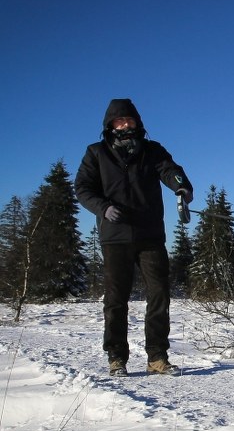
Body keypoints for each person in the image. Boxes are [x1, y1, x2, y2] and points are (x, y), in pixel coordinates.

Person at [75, 98, 193, 377]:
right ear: (110, 125)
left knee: (159, 293)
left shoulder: (152, 150)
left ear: (138, 123)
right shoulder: (96, 153)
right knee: (116, 299)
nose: (125, 125)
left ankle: (157, 358)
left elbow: (171, 171)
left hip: (150, 234)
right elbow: (82, 188)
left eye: (129, 120)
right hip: (114, 237)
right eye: (119, 121)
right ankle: (116, 358)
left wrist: (181, 188)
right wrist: (103, 207)